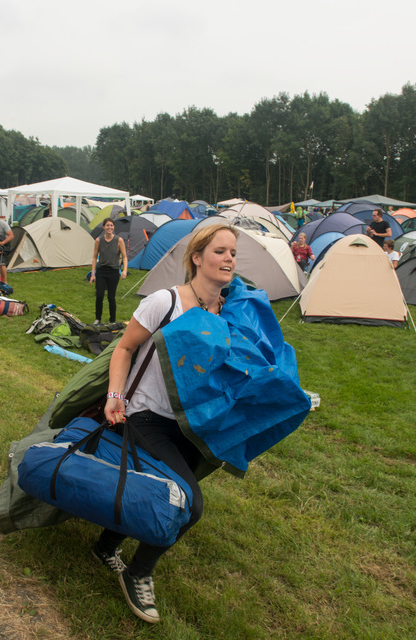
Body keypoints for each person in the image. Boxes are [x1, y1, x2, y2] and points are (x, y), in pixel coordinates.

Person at [94, 223, 239, 624]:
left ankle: (105, 546)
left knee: (168, 490)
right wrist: (115, 396)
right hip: (145, 418)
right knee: (189, 505)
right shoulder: (166, 302)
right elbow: (124, 348)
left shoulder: (224, 311)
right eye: (220, 251)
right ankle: (139, 572)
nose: (229, 259)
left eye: (232, 253)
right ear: (196, 258)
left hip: (191, 425)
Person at [90, 219, 128, 324]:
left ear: (114, 227)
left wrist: (124, 270)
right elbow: (94, 257)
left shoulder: (119, 240)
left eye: (111, 225)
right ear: (104, 227)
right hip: (101, 271)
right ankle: (98, 319)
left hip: (114, 271)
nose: (109, 227)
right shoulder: (98, 240)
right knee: (99, 295)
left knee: (111, 297)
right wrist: (93, 274)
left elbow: (124, 256)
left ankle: (112, 321)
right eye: (107, 225)